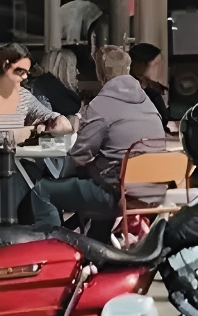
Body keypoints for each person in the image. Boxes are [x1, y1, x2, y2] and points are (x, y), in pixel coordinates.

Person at [33, 46, 168, 237]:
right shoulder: (148, 105)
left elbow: (79, 156)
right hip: (153, 193)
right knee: (101, 183)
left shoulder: (101, 106)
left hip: (118, 195)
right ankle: (99, 247)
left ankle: (53, 252)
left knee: (42, 190)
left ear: (99, 72)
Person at [28, 48, 82, 117]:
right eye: (72, 67)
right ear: (60, 67)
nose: (77, 72)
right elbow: (46, 119)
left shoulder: (65, 89)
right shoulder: (44, 87)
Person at [127, 42, 172, 124]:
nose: (160, 68)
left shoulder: (157, 89)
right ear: (141, 65)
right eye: (156, 64)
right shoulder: (134, 89)